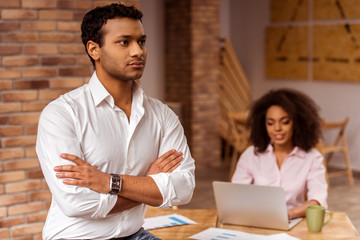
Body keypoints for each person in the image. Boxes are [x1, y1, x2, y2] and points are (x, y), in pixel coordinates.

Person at [36, 3, 195, 239]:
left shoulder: (163, 115)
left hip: (135, 234)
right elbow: (76, 203)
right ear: (94, 50)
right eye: (124, 42)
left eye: (141, 41)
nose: (137, 51)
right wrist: (147, 184)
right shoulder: (61, 114)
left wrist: (110, 182)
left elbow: (184, 189)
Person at [231, 88, 328, 220]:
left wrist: (288, 214)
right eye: (270, 123)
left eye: (284, 122)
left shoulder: (312, 158)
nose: (277, 128)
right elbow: (236, 194)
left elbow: (317, 200)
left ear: (296, 123)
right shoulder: (251, 155)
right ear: (263, 124)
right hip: (258, 220)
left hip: (294, 221)